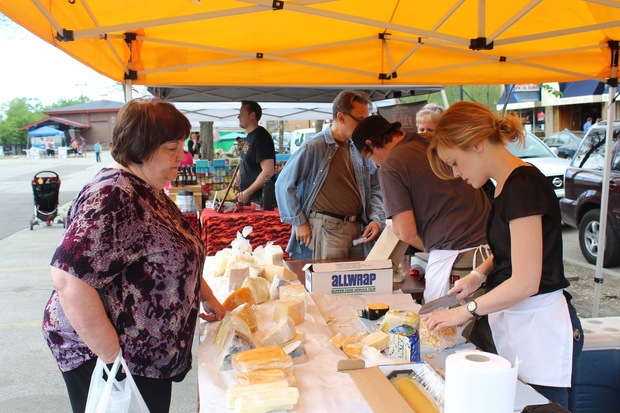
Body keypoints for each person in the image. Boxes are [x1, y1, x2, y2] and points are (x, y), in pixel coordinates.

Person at [42, 98, 226, 413]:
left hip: (144, 354)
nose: (182, 156)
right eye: (171, 148)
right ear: (141, 149)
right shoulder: (114, 195)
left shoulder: (146, 187)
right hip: (113, 355)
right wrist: (112, 357)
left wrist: (206, 297)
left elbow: (177, 256)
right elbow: (68, 278)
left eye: (181, 146)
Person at [424, 101, 583, 408]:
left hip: (540, 330)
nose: (456, 173)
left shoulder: (522, 186)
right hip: (518, 323)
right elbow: (513, 249)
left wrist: (465, 311)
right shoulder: (505, 186)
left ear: (476, 144)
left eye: (455, 162)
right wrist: (478, 275)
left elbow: (525, 282)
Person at [351, 115, 490, 302]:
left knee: (444, 320)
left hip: (457, 261)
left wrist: (395, 226)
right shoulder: (430, 142)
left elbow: (406, 233)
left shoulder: (391, 164)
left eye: (369, 156)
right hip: (490, 254)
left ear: (371, 143)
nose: (375, 163)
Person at [275, 90, 384, 260]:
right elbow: (283, 184)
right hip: (328, 229)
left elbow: (375, 186)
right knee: (330, 276)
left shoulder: (358, 148)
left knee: (356, 276)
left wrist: (376, 219)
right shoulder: (314, 146)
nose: (364, 127)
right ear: (341, 117)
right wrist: (299, 221)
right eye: (360, 120)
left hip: (358, 228)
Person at [236, 100, 276, 204]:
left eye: (242, 114)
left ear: (252, 115)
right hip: (249, 198)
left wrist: (248, 192)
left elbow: (268, 171)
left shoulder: (261, 137)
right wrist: (236, 182)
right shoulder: (250, 136)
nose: (238, 117)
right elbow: (246, 165)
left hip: (259, 200)